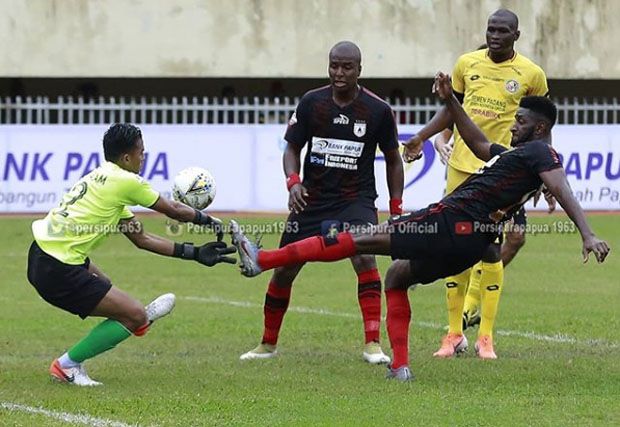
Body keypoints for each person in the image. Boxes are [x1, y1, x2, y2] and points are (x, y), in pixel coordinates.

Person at [229, 73, 610, 382]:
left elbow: (560, 185)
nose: (513, 126)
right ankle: (400, 366)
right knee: (395, 277)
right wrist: (451, 101)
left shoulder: (541, 152)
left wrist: (587, 232)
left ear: (540, 127)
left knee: (358, 239)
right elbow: (477, 142)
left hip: (448, 221)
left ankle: (263, 259)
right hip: (470, 243)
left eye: (521, 121)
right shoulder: (520, 157)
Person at [26, 123, 236, 386]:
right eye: (141, 152)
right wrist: (210, 220)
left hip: (41, 255)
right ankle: (67, 365)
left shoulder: (103, 180)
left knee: (108, 287)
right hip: (58, 268)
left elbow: (142, 239)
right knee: (133, 315)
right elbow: (173, 209)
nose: (143, 157)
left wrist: (194, 253)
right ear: (126, 157)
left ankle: (134, 319)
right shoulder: (125, 181)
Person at [239, 41, 404, 364]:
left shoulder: (377, 110)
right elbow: (291, 149)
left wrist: (396, 208)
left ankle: (372, 344)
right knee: (285, 271)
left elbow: (394, 160)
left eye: (346, 67)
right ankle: (267, 345)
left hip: (355, 199)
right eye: (334, 66)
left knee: (364, 258)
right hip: (312, 200)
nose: (339, 73)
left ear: (359, 69)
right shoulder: (311, 103)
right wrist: (293, 183)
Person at [407, 9, 553, 358]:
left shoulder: (531, 74)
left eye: (503, 31)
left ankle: (485, 336)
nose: (495, 36)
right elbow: (452, 110)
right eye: (491, 29)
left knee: (494, 245)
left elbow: (543, 126)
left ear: (516, 35)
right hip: (462, 166)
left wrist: (545, 173)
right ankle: (453, 333)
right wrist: (425, 137)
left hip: (506, 169)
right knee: (453, 244)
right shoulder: (466, 64)